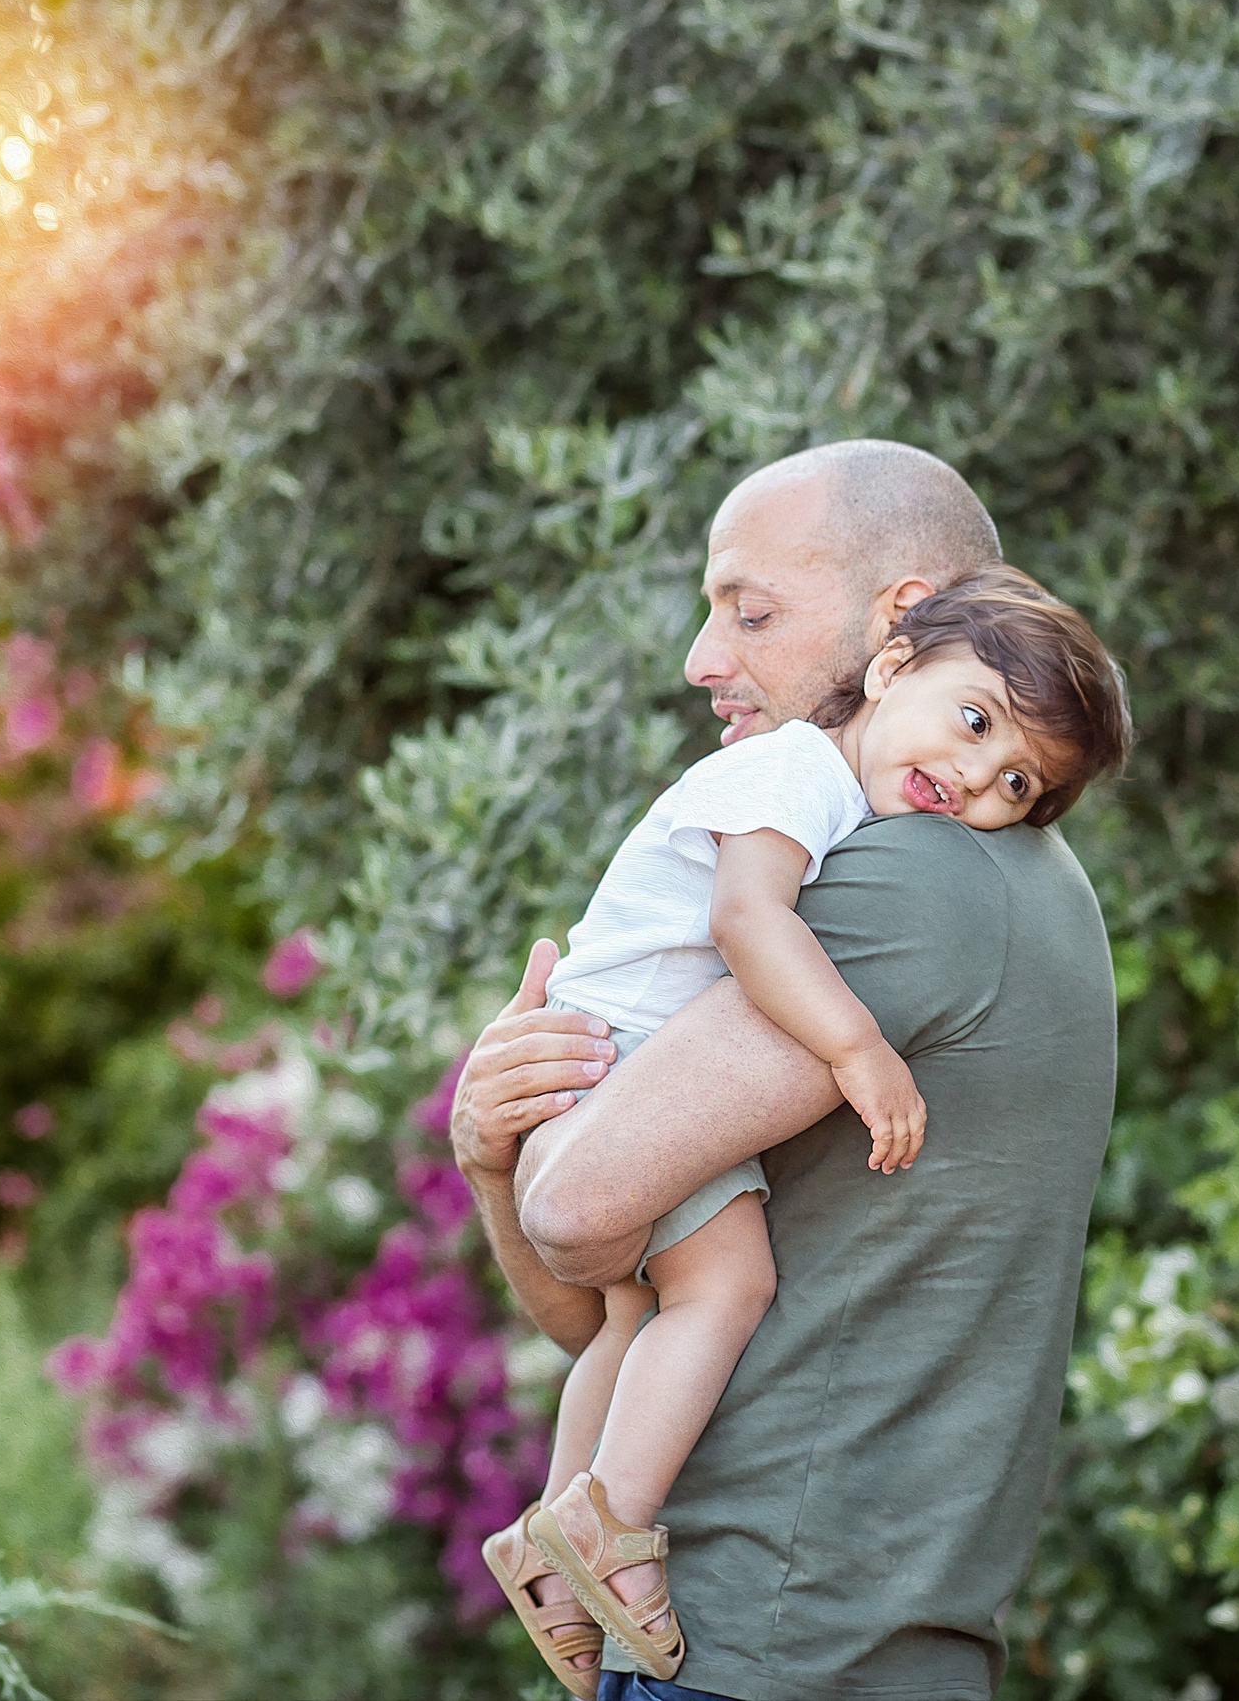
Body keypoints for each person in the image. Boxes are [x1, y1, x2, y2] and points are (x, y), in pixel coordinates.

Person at [454, 439, 1126, 1701]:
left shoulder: (919, 878)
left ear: (904, 623)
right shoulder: (952, 866)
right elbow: (597, 1308)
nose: (704, 660)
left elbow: (578, 1214)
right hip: (823, 1640)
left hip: (771, 1643)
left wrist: (504, 1154)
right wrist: (496, 1150)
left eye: (750, 613)